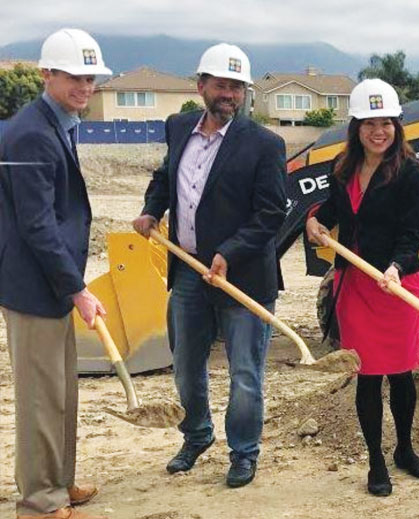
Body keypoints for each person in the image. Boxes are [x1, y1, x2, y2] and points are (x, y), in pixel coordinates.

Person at [131, 43, 287, 488]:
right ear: (201, 86)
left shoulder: (264, 144)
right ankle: (197, 435)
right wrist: (151, 209)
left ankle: (243, 451)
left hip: (243, 278)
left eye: (237, 88)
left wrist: (230, 251)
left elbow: (271, 213)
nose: (230, 95)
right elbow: (166, 177)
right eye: (221, 85)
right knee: (185, 365)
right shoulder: (178, 127)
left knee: (244, 372)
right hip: (188, 274)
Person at [0, 28, 112, 519]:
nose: (84, 87)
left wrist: (71, 288)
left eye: (90, 78)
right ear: (46, 74)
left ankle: (59, 484)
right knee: (41, 398)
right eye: (74, 77)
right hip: (33, 285)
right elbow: (37, 224)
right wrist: (78, 289)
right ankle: (39, 501)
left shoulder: (58, 121)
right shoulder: (30, 132)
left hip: (52, 285)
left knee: (61, 390)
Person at [304, 78, 419, 497]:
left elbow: (415, 234)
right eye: (369, 123)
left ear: (398, 127)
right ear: (356, 128)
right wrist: (315, 219)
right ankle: (376, 459)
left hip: (397, 286)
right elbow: (336, 209)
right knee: (366, 375)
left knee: (401, 374)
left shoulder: (411, 173)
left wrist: (396, 267)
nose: (379, 131)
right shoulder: (342, 169)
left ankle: (405, 449)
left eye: (387, 123)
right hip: (356, 285)